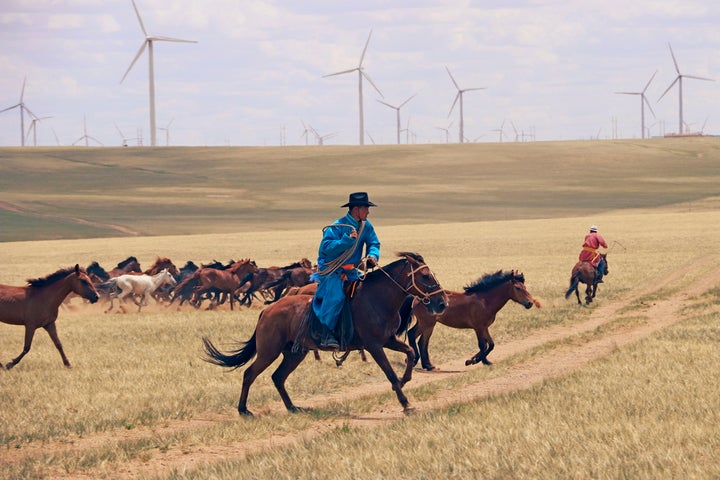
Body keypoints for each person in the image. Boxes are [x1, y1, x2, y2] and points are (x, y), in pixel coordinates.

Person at [310, 192, 381, 349]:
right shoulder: (337, 227)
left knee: (369, 291)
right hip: (331, 269)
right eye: (366, 208)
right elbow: (325, 249)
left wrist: (372, 255)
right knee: (335, 296)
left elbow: (374, 243)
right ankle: (326, 334)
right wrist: (346, 241)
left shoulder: (366, 226)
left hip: (352, 270)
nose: (368, 212)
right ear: (356, 209)